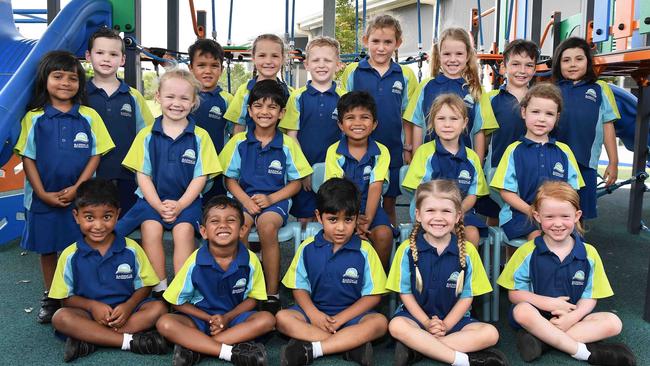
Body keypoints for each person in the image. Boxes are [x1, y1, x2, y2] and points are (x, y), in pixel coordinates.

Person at [14, 50, 115, 323]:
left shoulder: (90, 116)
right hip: (43, 198)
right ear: (45, 80)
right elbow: (28, 157)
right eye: (58, 76)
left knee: (83, 246)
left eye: (72, 78)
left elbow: (96, 154)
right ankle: (51, 296)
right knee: (48, 249)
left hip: (81, 199)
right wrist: (42, 193)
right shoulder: (33, 117)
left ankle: (83, 294)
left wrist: (78, 189)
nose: (65, 83)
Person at [497, 181, 636, 365]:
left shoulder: (589, 254)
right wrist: (549, 303)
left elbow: (590, 296)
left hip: (573, 317)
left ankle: (542, 341)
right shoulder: (526, 252)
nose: (558, 223)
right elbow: (515, 294)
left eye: (565, 216)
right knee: (522, 311)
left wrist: (572, 317)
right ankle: (583, 352)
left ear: (577, 215)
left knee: (613, 322)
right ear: (537, 216)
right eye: (549, 217)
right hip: (536, 317)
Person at [118, 68, 222, 295]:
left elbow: (200, 177)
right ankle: (159, 288)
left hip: (187, 202)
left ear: (194, 102)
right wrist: (157, 205)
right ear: (158, 97)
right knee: (150, 229)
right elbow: (142, 176)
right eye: (170, 97)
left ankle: (180, 289)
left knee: (183, 231)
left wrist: (181, 205)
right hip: (151, 201)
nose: (177, 103)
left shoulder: (200, 136)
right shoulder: (146, 135)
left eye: (184, 98)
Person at [387, 180, 507, 366]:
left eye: (446, 211)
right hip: (416, 319)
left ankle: (417, 350)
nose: (438, 217)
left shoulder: (468, 251)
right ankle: (461, 359)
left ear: (458, 215)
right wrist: (427, 323)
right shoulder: (406, 250)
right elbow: (405, 294)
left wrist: (446, 326)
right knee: (396, 326)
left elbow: (467, 297)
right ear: (418, 214)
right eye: (430, 210)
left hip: (454, 321)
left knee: (491, 333)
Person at [219, 79, 312, 313]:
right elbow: (229, 180)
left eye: (272, 107)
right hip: (244, 200)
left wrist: (271, 199)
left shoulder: (288, 145)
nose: (264, 112)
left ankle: (271, 293)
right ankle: (243, 288)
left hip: (276, 201)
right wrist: (246, 202)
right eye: (258, 106)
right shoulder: (238, 142)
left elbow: (296, 183)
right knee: (237, 229)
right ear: (249, 111)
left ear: (281, 113)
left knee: (267, 227)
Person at [49, 179, 168, 362]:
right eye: (89, 217)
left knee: (158, 308)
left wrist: (128, 306)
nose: (98, 226)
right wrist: (92, 306)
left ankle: (91, 339)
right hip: (89, 315)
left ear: (118, 215)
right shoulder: (69, 255)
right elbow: (66, 299)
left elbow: (145, 287)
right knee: (61, 317)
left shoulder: (132, 249)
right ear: (76, 216)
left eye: (106, 217)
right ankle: (129, 341)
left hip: (128, 312)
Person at [276, 178, 388, 366]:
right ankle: (349, 345)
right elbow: (299, 288)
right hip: (315, 315)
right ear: (319, 217)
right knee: (282, 318)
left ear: (357, 218)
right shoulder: (307, 247)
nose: (341, 228)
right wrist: (314, 315)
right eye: (333, 219)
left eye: (348, 220)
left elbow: (373, 296)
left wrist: (341, 319)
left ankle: (315, 348)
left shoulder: (365, 250)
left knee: (380, 323)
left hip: (353, 317)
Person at [156, 196, 275, 366]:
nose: (223, 225)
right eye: (214, 221)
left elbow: (253, 299)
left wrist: (226, 318)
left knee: (267, 320)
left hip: (234, 319)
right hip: (199, 320)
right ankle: (228, 352)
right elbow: (177, 302)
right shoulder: (194, 262)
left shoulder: (251, 260)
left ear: (242, 230)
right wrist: (209, 319)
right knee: (165, 323)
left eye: (231, 220)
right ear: (203, 232)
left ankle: (197, 347)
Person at [341, 14, 418, 226]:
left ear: (398, 43)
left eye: (388, 42)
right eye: (375, 41)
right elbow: (344, 111)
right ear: (365, 41)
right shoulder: (353, 71)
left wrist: (407, 149)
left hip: (392, 149)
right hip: (357, 149)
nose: (381, 48)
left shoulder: (406, 75)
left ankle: (387, 249)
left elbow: (408, 116)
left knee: (389, 204)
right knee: (354, 200)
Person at [490, 83, 584, 241]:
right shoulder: (513, 150)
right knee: (540, 239)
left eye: (549, 114)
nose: (541, 119)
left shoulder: (564, 151)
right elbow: (506, 192)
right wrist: (533, 211)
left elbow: (571, 192)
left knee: (574, 242)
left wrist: (553, 215)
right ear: (523, 112)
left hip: (555, 217)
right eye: (535, 112)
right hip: (521, 215)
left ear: (557, 117)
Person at [403, 94, 489, 247]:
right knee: (439, 233)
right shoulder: (424, 153)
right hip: (429, 212)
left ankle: (465, 270)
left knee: (471, 234)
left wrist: (455, 212)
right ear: (433, 122)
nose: (447, 124)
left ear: (464, 123)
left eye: (454, 119)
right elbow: (419, 191)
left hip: (461, 212)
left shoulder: (472, 157)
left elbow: (472, 195)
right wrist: (441, 212)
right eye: (441, 119)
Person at [85, 27, 154, 215]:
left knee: (124, 225)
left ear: (122, 59)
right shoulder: (79, 95)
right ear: (88, 56)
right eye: (100, 52)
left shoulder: (133, 96)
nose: (106, 58)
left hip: (128, 175)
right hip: (90, 176)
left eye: (113, 54)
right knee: (94, 224)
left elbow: (147, 134)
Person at [324, 91, 395, 269]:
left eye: (364, 117)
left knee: (384, 234)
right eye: (350, 117)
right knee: (340, 234)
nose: (357, 123)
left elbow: (375, 187)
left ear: (374, 124)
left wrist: (368, 220)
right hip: (341, 207)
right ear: (340, 124)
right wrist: (351, 221)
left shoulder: (381, 152)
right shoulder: (334, 151)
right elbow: (337, 192)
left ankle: (378, 285)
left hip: (371, 208)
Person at [404, 27, 497, 161]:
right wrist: (416, 161)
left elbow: (479, 131)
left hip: (463, 165)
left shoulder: (475, 89)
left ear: (468, 56)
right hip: (430, 164)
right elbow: (417, 125)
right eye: (447, 54)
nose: (453, 59)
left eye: (459, 54)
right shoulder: (426, 86)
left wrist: (478, 165)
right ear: (439, 55)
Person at [279, 36, 345, 223]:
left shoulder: (344, 98)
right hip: (305, 171)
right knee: (306, 220)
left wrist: (337, 169)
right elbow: (292, 137)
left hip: (335, 171)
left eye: (328, 60)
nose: (321, 65)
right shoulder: (297, 98)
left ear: (338, 64)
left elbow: (348, 137)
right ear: (306, 64)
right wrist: (304, 171)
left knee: (333, 217)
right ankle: (305, 252)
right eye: (316, 60)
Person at [552, 37, 620, 219]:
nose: (573, 64)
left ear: (588, 62)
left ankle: (578, 247)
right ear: (558, 64)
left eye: (579, 59)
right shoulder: (551, 89)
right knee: (553, 210)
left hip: (586, 163)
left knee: (579, 214)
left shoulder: (600, 89)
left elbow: (608, 125)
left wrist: (613, 162)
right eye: (566, 60)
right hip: (554, 161)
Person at [480, 39, 539, 226]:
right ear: (504, 67)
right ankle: (490, 255)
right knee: (495, 218)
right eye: (515, 64)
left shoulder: (540, 100)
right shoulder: (492, 99)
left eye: (529, 65)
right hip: (498, 170)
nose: (522, 70)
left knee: (527, 218)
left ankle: (520, 256)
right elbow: (484, 137)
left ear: (535, 68)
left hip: (531, 170)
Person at [188, 38, 234, 202]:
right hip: (187, 166)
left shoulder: (227, 100)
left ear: (221, 69)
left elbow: (235, 135)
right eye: (201, 65)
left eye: (214, 66)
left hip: (216, 169)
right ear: (191, 68)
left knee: (214, 209)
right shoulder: (184, 97)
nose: (208, 71)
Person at [224, 34, 292, 133]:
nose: (268, 61)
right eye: (262, 55)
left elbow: (291, 128)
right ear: (253, 58)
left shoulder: (290, 94)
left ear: (283, 59)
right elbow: (238, 127)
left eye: (275, 56)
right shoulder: (244, 91)